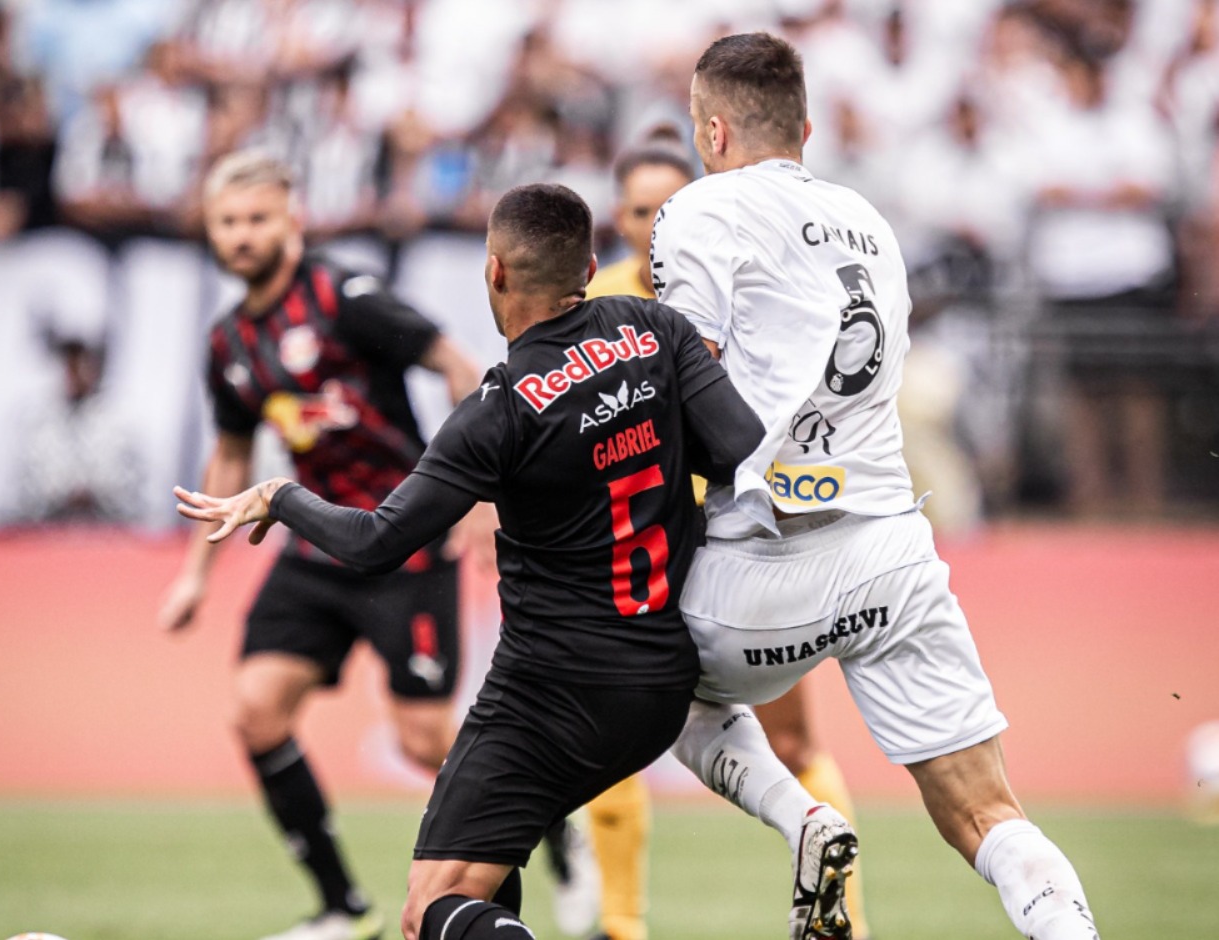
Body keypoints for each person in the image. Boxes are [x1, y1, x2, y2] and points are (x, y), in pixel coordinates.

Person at [172, 182, 782, 940]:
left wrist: (279, 496)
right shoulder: (657, 330)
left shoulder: (498, 411)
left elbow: (373, 542)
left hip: (549, 692)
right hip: (662, 678)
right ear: (590, 266)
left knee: (429, 910)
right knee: (483, 877)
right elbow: (735, 452)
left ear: (493, 273)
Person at [653, 32, 1102, 940]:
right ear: (806, 127)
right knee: (985, 816)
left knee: (639, 674)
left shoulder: (699, 209)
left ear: (710, 131)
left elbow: (681, 374)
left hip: (758, 561)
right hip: (889, 552)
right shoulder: (869, 220)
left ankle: (805, 820)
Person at [158, 148, 486, 940]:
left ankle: (548, 829)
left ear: (293, 221)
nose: (242, 236)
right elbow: (232, 455)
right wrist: (196, 569)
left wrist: (476, 493)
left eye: (256, 219)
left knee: (423, 744)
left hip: (403, 543)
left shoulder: (346, 298)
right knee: (256, 710)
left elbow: (457, 365)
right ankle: (344, 908)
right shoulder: (229, 343)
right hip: (313, 543)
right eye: (227, 223)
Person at [583, 130, 871, 940]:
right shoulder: (594, 304)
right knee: (606, 725)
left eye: (667, 210)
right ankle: (619, 922)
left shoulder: (754, 303)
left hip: (739, 547)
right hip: (633, 549)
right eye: (638, 210)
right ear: (619, 214)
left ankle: (843, 918)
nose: (652, 227)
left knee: (791, 740)